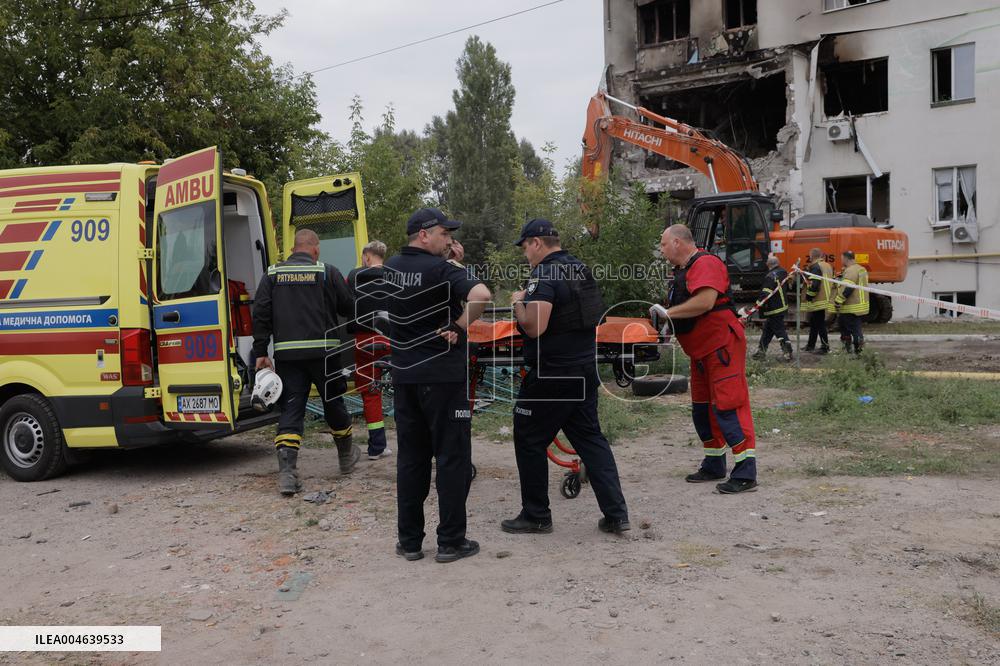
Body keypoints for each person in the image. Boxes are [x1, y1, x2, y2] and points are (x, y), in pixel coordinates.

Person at [502, 219, 631, 536]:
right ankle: (616, 514)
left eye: (524, 248)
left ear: (536, 243)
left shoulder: (544, 274)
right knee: (590, 439)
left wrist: (518, 302)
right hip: (583, 369)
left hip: (552, 373)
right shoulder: (579, 270)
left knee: (528, 436)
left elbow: (535, 326)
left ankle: (536, 515)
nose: (525, 256)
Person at [383, 207, 492, 564]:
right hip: (443, 377)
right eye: (445, 234)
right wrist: (460, 326)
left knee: (411, 459)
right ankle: (450, 541)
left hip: (405, 376)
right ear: (424, 234)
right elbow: (482, 295)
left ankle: (410, 542)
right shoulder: (444, 269)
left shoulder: (388, 270)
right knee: (451, 457)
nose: (450, 240)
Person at [252, 229, 360, 496]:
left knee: (291, 409)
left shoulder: (273, 275)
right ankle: (346, 458)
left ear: (293, 248)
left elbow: (261, 313)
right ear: (316, 249)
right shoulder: (328, 272)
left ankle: (288, 474)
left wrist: (260, 351)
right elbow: (349, 307)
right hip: (326, 355)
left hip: (289, 357)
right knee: (334, 403)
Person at [659, 224, 758, 494]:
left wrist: (669, 314)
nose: (662, 249)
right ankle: (714, 463)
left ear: (678, 242)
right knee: (702, 410)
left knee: (728, 407)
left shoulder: (706, 263)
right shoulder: (683, 270)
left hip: (720, 347)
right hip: (701, 351)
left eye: (663, 244)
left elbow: (704, 302)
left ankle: (746, 472)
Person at [346, 240, 392, 460]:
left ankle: (377, 446)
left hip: (365, 341)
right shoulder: (395, 275)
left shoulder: (355, 276)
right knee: (405, 391)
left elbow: (344, 302)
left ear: (366, 256)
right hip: (393, 340)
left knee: (370, 392)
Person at [753, 255, 793, 361]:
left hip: (774, 308)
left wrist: (756, 305)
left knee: (779, 331)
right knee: (767, 331)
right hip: (781, 306)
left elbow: (765, 293)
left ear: (768, 264)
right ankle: (761, 352)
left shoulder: (770, 276)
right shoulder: (783, 272)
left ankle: (788, 353)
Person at [834, 250, 869, 354]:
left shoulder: (851, 270)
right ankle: (854, 350)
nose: (841, 261)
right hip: (860, 305)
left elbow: (848, 288)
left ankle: (855, 352)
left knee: (851, 330)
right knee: (850, 329)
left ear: (846, 258)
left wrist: (838, 301)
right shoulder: (861, 269)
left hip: (851, 306)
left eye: (841, 258)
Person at [801, 248, 834, 355]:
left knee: (819, 324)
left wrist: (809, 297)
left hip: (818, 300)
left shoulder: (815, 267)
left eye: (810, 256)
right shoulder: (827, 265)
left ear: (812, 256)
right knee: (814, 323)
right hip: (825, 298)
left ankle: (825, 347)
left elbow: (814, 285)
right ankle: (811, 345)